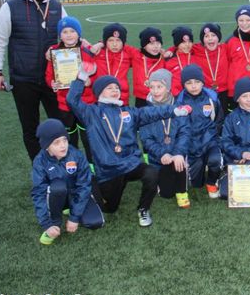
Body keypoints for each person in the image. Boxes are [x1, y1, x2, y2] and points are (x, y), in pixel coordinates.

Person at [67, 70, 190, 227]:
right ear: (99, 92)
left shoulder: (128, 112)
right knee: (110, 209)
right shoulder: (91, 113)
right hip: (109, 169)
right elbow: (72, 100)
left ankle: (143, 209)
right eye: (110, 88)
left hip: (131, 164)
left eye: (116, 88)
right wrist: (80, 79)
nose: (115, 90)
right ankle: (88, 181)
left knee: (151, 173)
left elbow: (151, 112)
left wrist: (174, 110)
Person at [0, 0, 67, 161]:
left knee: (60, 125)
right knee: (30, 127)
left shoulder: (56, 7)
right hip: (24, 79)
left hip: (53, 79)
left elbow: (70, 36)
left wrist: (90, 46)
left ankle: (63, 167)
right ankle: (40, 167)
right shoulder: (10, 7)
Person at [32, 119, 104, 245]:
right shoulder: (40, 162)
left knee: (96, 222)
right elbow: (39, 193)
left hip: (74, 194)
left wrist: (74, 218)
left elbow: (84, 186)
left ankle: (70, 207)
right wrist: (46, 224)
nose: (63, 145)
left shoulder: (76, 155)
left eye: (64, 140)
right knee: (58, 187)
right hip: (56, 195)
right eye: (56, 142)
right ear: (46, 146)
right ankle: (54, 223)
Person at [140, 69, 193, 209]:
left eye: (159, 86)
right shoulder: (145, 111)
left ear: (168, 88)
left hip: (177, 156)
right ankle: (164, 178)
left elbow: (185, 133)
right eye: (152, 87)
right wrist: (162, 153)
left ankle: (182, 191)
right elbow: (146, 139)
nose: (155, 91)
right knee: (166, 194)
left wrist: (178, 153)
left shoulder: (179, 107)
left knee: (179, 162)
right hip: (159, 158)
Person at [44, 16, 95, 158]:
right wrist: (52, 83)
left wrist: (90, 81)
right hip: (65, 103)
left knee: (88, 137)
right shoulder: (54, 53)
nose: (69, 35)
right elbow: (49, 75)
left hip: (85, 102)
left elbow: (95, 72)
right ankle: (72, 163)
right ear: (60, 35)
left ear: (79, 34)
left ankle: (92, 164)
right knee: (69, 138)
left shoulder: (86, 51)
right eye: (64, 32)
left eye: (72, 31)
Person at [174, 64, 225, 199]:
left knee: (215, 160)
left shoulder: (212, 98)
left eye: (197, 82)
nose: (193, 86)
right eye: (189, 83)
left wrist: (213, 138)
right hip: (190, 144)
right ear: (183, 85)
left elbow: (219, 120)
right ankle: (198, 170)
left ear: (202, 82)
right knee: (196, 183)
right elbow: (178, 127)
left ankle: (212, 182)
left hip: (209, 140)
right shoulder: (179, 101)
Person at [225, 5, 250, 106]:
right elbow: (226, 63)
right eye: (241, 20)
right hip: (236, 90)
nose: (244, 24)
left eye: (248, 20)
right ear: (237, 21)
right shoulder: (230, 41)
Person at [93, 23, 138, 106]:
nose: (114, 44)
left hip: (122, 98)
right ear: (105, 42)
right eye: (110, 40)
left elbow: (142, 54)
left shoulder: (128, 54)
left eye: (118, 40)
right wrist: (101, 44)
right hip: (102, 98)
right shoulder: (98, 53)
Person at [193, 23, 230, 111]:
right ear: (203, 40)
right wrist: (171, 50)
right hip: (206, 92)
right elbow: (182, 46)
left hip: (224, 91)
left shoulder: (225, 48)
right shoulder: (197, 50)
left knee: (224, 114)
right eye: (206, 36)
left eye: (213, 35)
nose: (210, 38)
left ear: (218, 38)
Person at [131, 27, 166, 107]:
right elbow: (122, 47)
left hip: (158, 97)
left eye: (158, 43)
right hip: (141, 98)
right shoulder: (136, 55)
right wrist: (102, 43)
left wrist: (171, 50)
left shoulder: (163, 58)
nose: (156, 46)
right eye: (151, 44)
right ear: (144, 46)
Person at [165, 26, 195, 95]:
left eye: (190, 41)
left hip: (195, 94)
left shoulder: (197, 54)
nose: (187, 45)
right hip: (176, 95)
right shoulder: (169, 59)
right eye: (183, 42)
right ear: (177, 44)